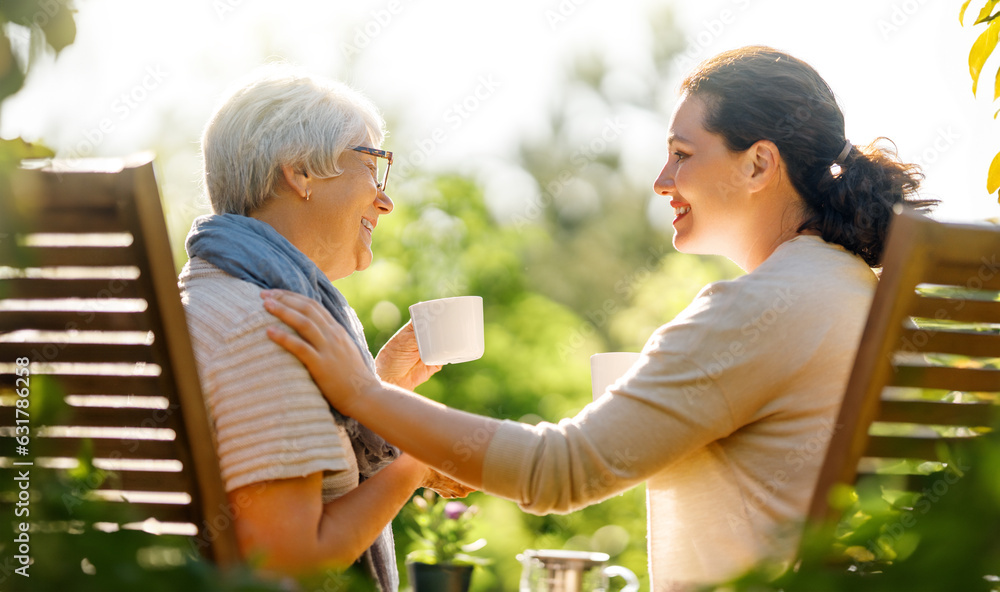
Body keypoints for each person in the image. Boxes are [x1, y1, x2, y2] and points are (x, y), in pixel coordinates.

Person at [261, 47, 937, 590]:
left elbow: (560, 471)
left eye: (683, 152)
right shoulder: (856, 290)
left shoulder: (762, 306)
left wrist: (364, 393)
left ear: (759, 162)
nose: (660, 179)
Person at [177, 67, 470, 591]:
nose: (386, 200)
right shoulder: (265, 328)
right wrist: (422, 454)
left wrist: (381, 393)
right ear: (301, 173)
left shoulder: (212, 301)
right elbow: (292, 562)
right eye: (372, 165)